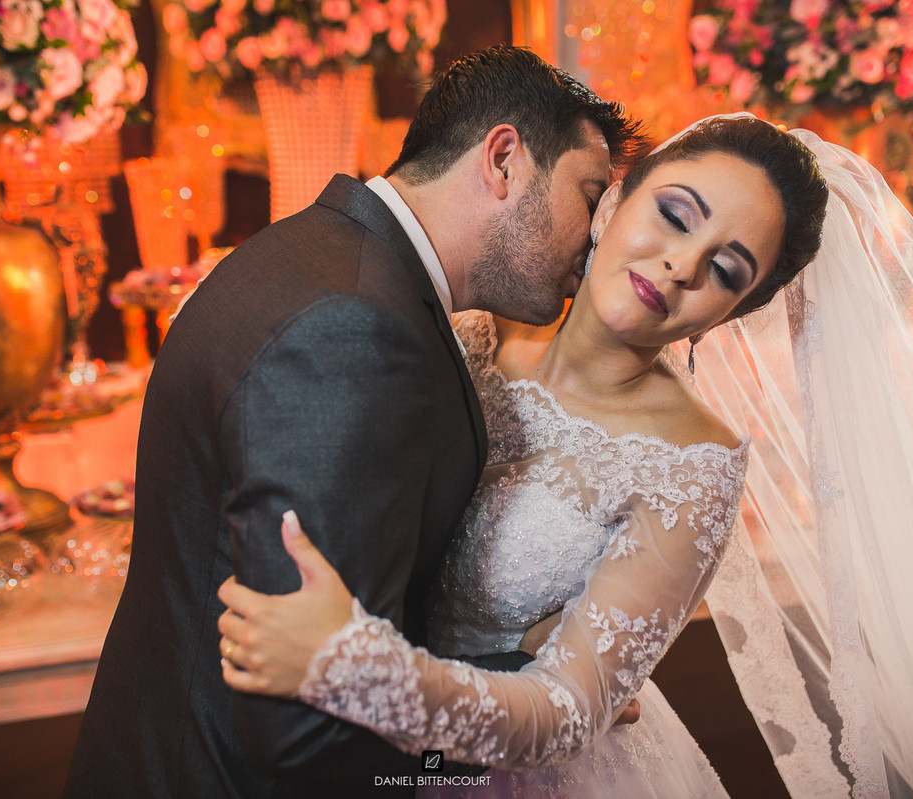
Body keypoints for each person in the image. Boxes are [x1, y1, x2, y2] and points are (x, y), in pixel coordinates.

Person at [216, 114, 913, 798]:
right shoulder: (471, 331)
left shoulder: (693, 465)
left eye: (725, 269)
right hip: (378, 764)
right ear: (612, 201)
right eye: (675, 215)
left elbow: (568, 714)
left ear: (729, 313)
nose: (682, 264)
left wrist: (353, 663)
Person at [63, 45, 643, 799]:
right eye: (590, 195)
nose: (598, 239)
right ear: (504, 159)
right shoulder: (353, 328)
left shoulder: (319, 253)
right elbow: (308, 733)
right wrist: (539, 710)